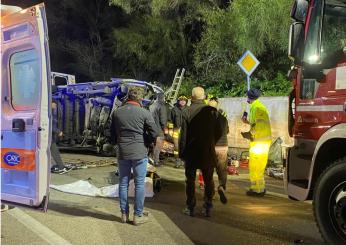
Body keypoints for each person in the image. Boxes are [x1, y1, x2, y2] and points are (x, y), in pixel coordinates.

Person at [112, 87, 159, 225]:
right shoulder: (144, 113)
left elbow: (112, 134)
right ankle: (138, 215)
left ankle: (124, 214)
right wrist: (146, 141)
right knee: (139, 184)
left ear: (128, 97)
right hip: (139, 151)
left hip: (123, 151)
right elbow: (154, 132)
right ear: (140, 98)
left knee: (123, 183)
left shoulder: (116, 112)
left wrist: (120, 142)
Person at [179, 87, 221, 217]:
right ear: (204, 97)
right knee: (208, 179)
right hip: (207, 151)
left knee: (190, 180)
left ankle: (190, 206)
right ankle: (207, 206)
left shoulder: (186, 111)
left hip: (191, 151)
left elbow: (183, 136)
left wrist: (182, 153)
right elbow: (219, 131)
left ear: (192, 97)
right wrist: (211, 143)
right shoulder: (213, 112)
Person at [241, 88, 272, 196]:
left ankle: (257, 190)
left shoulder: (257, 108)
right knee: (259, 166)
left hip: (259, 142)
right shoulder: (257, 107)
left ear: (250, 98)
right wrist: (247, 122)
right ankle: (260, 188)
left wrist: (249, 134)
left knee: (255, 166)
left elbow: (258, 125)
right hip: (262, 141)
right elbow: (257, 124)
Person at [208, 97, 229, 204]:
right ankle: (221, 186)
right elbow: (227, 131)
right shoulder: (223, 118)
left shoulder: (205, 118)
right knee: (222, 169)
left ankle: (210, 192)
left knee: (209, 170)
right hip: (223, 146)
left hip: (211, 147)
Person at [50, 101, 72, 174]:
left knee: (54, 152)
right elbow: (50, 125)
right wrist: (58, 131)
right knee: (54, 151)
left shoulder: (51, 113)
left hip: (50, 137)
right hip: (48, 137)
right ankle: (61, 166)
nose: (55, 106)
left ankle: (60, 166)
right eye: (54, 104)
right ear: (50, 103)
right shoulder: (49, 113)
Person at [149, 93, 167, 166]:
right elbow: (163, 120)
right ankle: (156, 161)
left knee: (153, 145)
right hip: (159, 129)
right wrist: (164, 129)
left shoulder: (151, 106)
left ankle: (151, 159)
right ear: (162, 98)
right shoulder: (161, 106)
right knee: (158, 145)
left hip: (151, 128)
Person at [170, 95, 188, 168]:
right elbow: (170, 121)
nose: (183, 101)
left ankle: (183, 160)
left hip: (186, 131)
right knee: (176, 147)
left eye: (184, 100)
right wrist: (170, 131)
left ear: (186, 102)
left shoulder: (188, 109)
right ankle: (177, 160)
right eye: (181, 100)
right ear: (178, 101)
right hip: (176, 130)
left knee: (184, 146)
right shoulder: (174, 109)